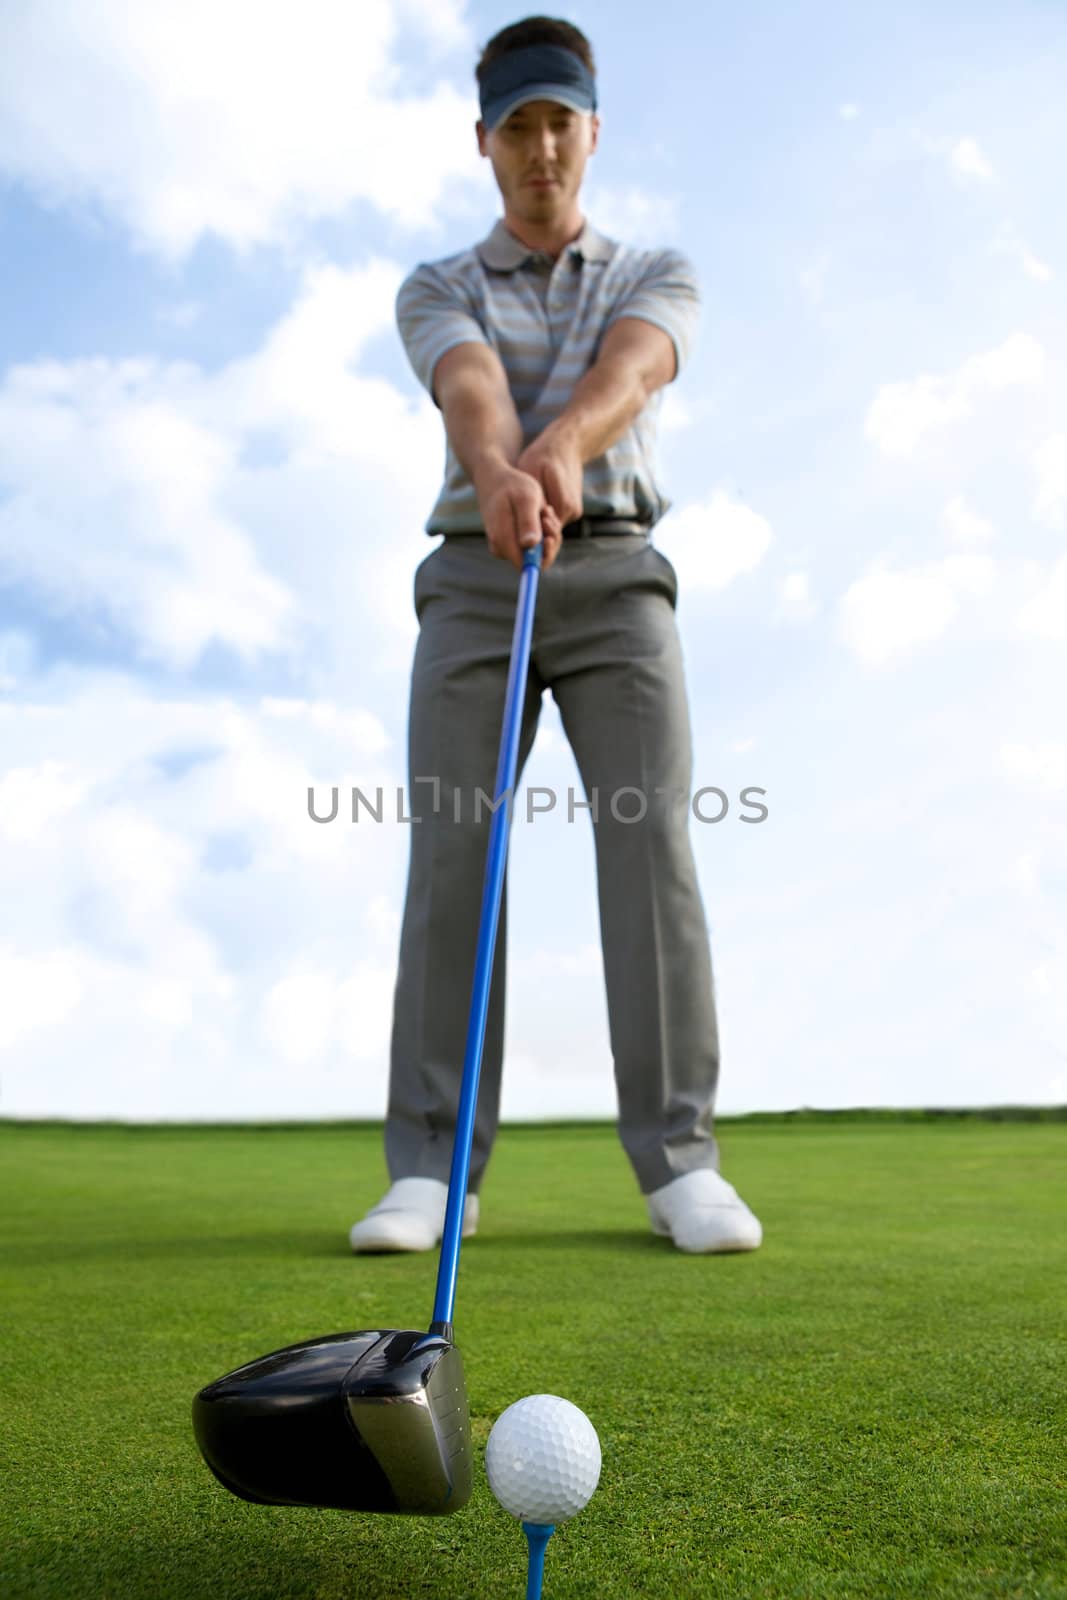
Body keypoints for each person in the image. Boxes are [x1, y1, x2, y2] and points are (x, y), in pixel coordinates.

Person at [350, 16, 762, 1257]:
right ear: (483, 141)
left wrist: (552, 452)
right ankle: (432, 1170)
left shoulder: (655, 270)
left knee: (649, 851)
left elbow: (631, 376)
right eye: (515, 126)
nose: (539, 148)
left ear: (591, 131)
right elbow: (467, 382)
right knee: (454, 853)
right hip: (477, 581)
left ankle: (679, 1162)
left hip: (618, 576)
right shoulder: (439, 283)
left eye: (557, 124)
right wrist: (496, 469)